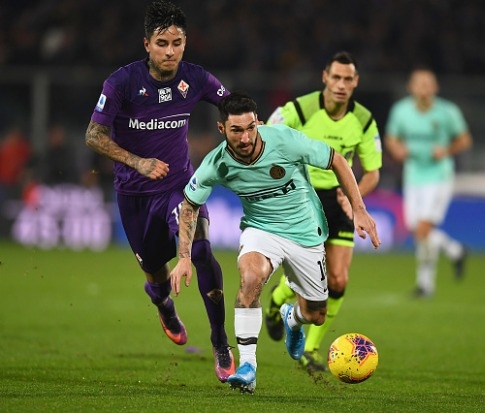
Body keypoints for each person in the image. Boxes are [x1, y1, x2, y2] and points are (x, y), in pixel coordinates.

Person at [170, 92, 381, 394]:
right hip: (261, 229)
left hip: (305, 232)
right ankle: (248, 367)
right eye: (236, 130)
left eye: (250, 128)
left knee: (316, 314)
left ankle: (291, 319)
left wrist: (358, 208)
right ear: (222, 129)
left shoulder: (283, 140)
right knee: (250, 277)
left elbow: (335, 159)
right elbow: (190, 205)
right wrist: (184, 256)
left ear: (257, 122)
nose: (245, 138)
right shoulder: (216, 163)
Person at [84, 0, 235, 382]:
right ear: (147, 44)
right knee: (155, 273)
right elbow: (94, 135)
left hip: (180, 188)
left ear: (185, 43)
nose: (170, 51)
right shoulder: (122, 82)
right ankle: (164, 304)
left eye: (177, 43)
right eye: (162, 43)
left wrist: (250, 124)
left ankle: (220, 341)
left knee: (201, 251)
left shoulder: (195, 78)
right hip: (134, 194)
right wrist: (137, 162)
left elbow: (230, 104)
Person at [264, 51, 382, 371]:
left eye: (348, 79)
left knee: (338, 280)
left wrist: (354, 197)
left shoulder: (363, 120)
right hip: (303, 196)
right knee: (312, 275)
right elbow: (266, 138)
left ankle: (311, 348)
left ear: (356, 82)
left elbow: (372, 173)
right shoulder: (299, 109)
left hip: (339, 197)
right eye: (336, 77)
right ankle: (277, 302)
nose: (341, 85)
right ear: (325, 78)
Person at [384, 67, 472, 298]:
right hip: (413, 175)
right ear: (410, 88)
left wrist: (447, 150)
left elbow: (465, 139)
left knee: (423, 229)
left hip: (438, 176)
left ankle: (426, 282)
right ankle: (453, 254)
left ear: (435, 88)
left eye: (428, 84)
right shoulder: (401, 111)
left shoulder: (447, 112)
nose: (424, 89)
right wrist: (397, 149)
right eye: (419, 84)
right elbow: (391, 138)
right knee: (417, 230)